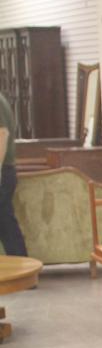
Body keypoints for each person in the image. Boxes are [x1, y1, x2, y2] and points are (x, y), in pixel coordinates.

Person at [0, 90, 28, 257]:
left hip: (3, 171)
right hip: (5, 170)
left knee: (6, 222)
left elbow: (2, 134)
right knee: (5, 222)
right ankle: (21, 271)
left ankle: (22, 271)